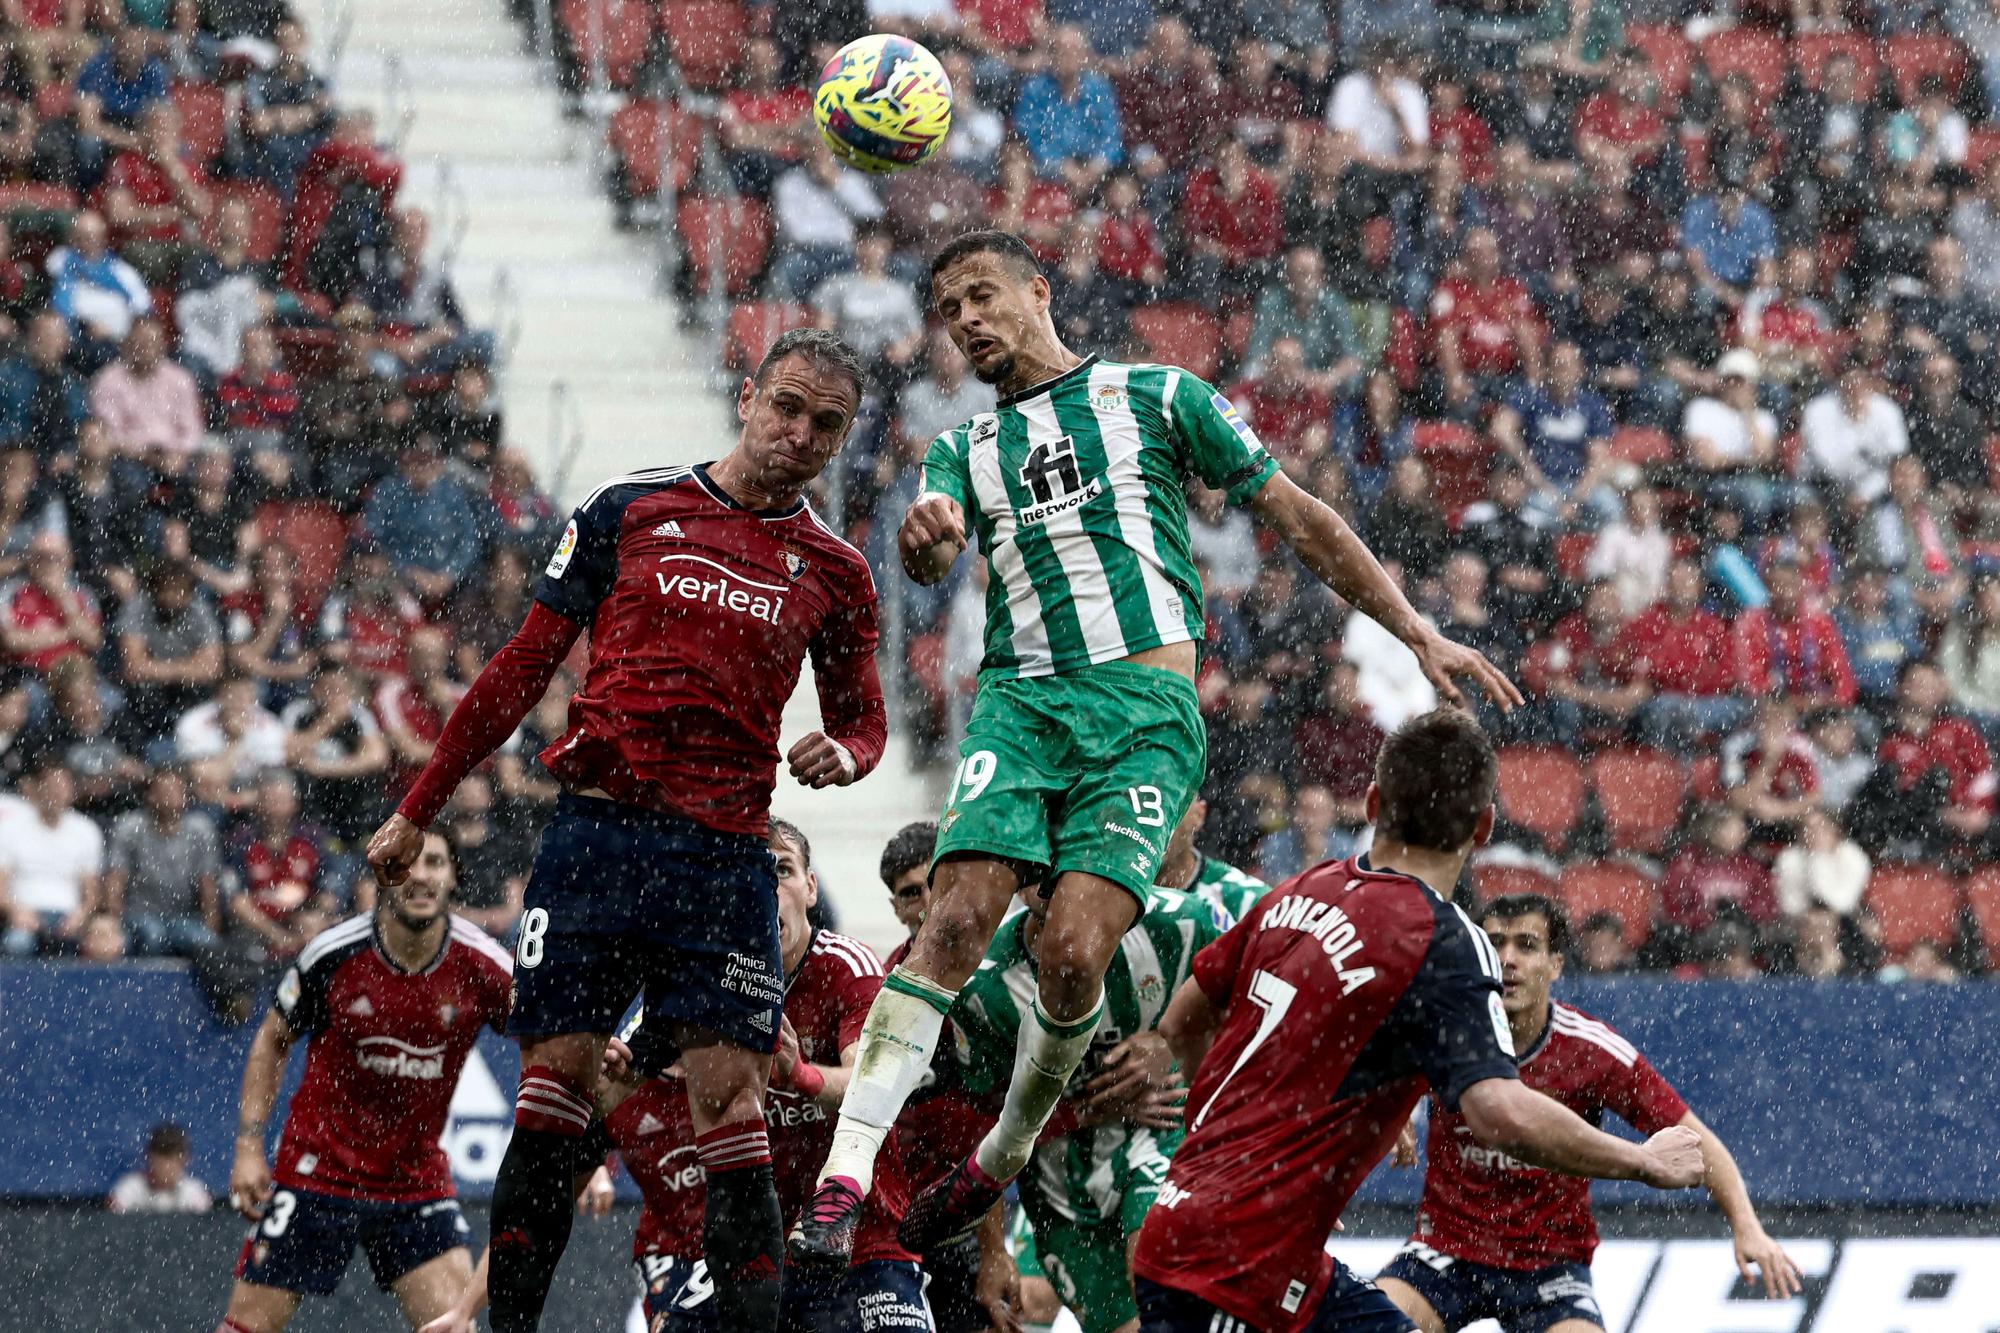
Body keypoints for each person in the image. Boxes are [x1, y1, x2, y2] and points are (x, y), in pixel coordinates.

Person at [795, 229, 1518, 1265]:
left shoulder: (1159, 397)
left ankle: (1004, 1146)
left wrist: (1413, 627)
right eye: (949, 308)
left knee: (1073, 953)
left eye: (982, 296)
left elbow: (1296, 514)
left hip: (1141, 710)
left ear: (1037, 292)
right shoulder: (961, 446)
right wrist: (927, 539)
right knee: (951, 922)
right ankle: (845, 1171)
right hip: (1022, 703)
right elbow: (934, 530)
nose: (966, 321)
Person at [365, 328, 885, 1333]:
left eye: (826, 424)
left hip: (724, 857)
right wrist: (414, 807)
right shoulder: (629, 508)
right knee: (555, 1093)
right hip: (598, 844)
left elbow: (862, 717)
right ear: (746, 396)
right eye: (785, 406)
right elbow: (519, 667)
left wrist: (851, 755)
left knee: (730, 1108)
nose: (799, 433)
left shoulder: (837, 569)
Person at [1129, 711, 1705, 1332]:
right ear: (1483, 826)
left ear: (1373, 802)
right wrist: (1641, 1161)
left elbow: (1185, 1020)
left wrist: (1244, 1156)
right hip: (1239, 1269)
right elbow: (1500, 1113)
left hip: (1195, 1230)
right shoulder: (1444, 941)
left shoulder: (1297, 890)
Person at [420, 819, 932, 1333]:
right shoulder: (706, 987)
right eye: (752, 873)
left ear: (811, 887)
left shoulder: (848, 967)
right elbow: (554, 1179)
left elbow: (872, 1089)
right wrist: (466, 1310)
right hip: (756, 1251)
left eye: (781, 871)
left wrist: (799, 1075)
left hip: (861, 1245)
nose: (765, 888)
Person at [1377, 893, 1801, 1331]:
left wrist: (1747, 1225)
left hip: (1550, 1267)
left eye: (1526, 945)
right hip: (1446, 1250)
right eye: (1495, 945)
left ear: (1555, 964)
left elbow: (1697, 1139)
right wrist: (1391, 1105)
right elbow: (1358, 1077)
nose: (1508, 960)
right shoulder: (1443, 1032)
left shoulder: (1592, 1051)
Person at [218, 829, 511, 1333]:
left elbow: (553, 1044)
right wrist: (248, 1145)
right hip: (317, 1167)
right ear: (382, 876)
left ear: (454, 878)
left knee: (454, 1328)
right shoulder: (333, 954)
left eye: (435, 863)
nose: (420, 876)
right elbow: (272, 1039)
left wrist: (586, 1150)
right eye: (406, 864)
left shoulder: (486, 966)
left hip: (413, 1178)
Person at [946, 875, 1215, 1333]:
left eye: (1061, 844)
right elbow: (978, 1128)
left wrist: (1171, 1038)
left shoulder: (1178, 921)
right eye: (1035, 851)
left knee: (1157, 1280)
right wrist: (993, 1249)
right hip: (1059, 1190)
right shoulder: (984, 989)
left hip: (1159, 1132)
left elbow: (1251, 1003)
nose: (1047, 866)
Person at [1154, 796, 1269, 930]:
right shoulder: (1124, 900)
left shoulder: (1247, 901)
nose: (1152, 825)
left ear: (1198, 814)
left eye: (1167, 808)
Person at [109, 1122, 213, 1214]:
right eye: (162, 1159)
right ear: (149, 1158)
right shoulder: (128, 1190)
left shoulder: (195, 1193)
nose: (166, 1167)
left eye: (173, 1159)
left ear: (185, 1161)